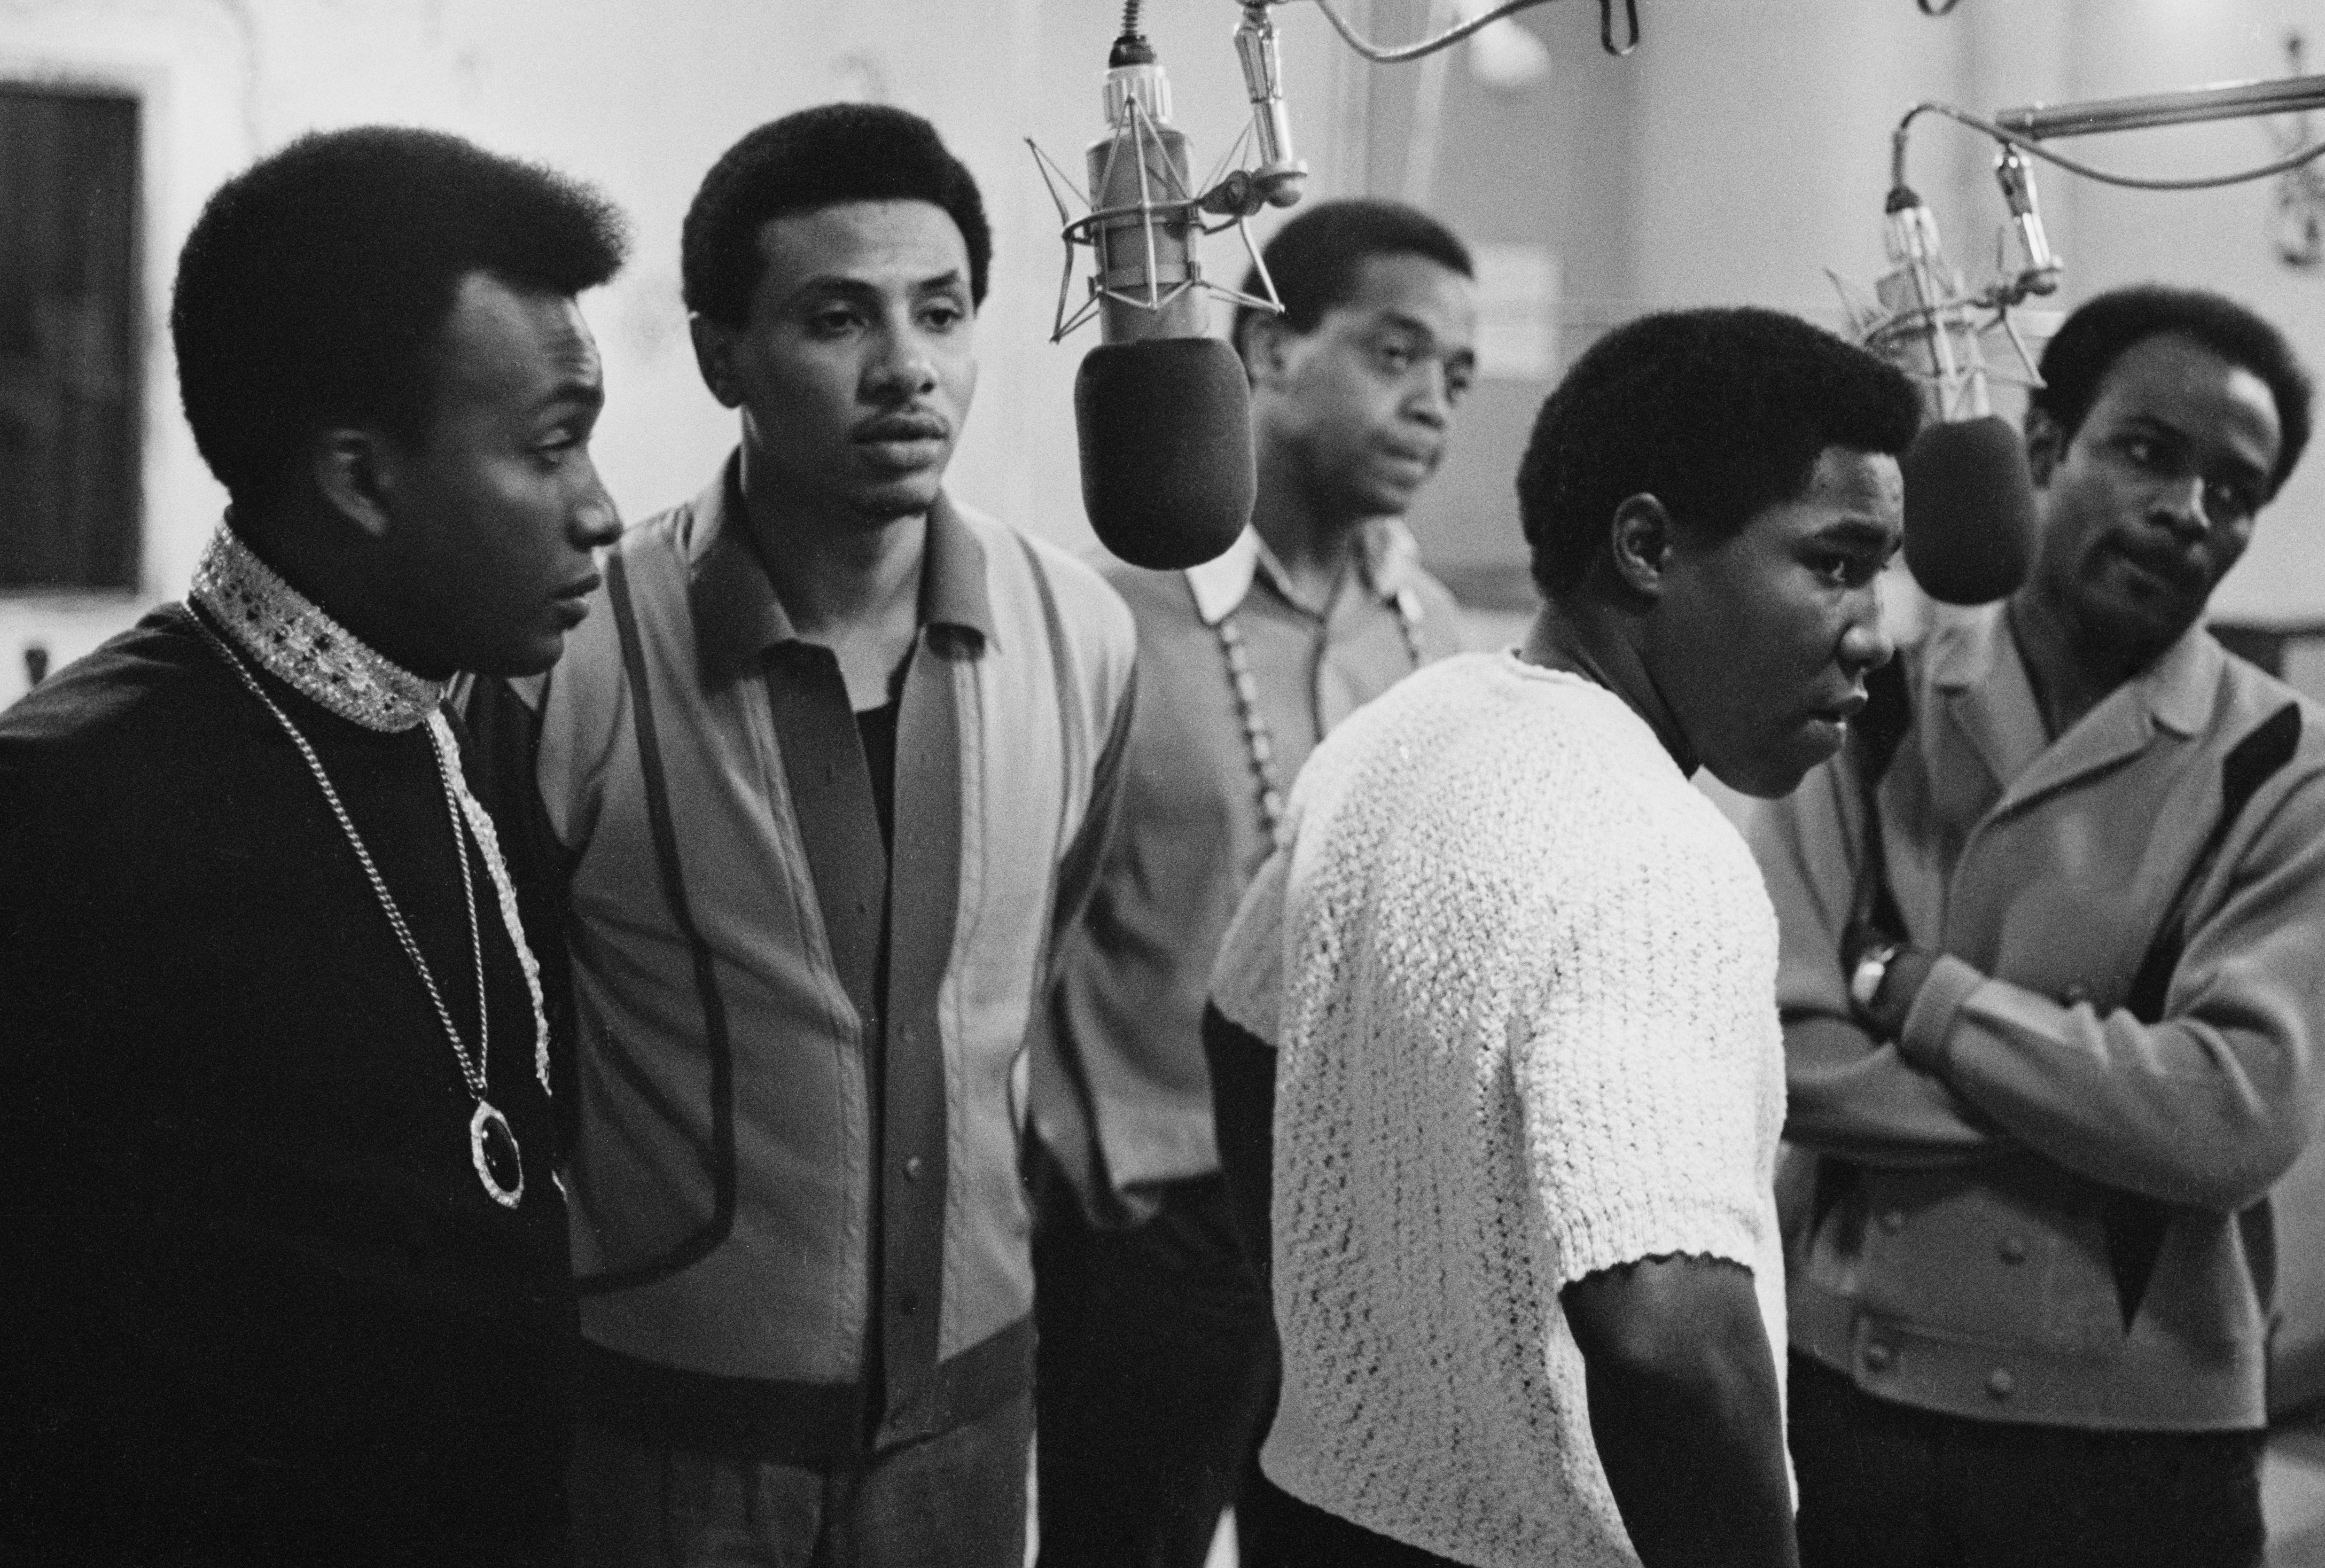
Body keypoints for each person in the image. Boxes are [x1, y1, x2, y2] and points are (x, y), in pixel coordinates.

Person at [468, 104, 1136, 1568]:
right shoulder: (571, 656)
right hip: (668, 1423)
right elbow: (510, 1051)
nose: (906, 367)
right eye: (837, 318)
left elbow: (1027, 971)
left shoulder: (1077, 633)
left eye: (941, 312)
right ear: (720, 356)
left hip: (969, 1414)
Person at [0, 126, 626, 1564]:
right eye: (551, 445)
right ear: (359, 475)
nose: (599, 509)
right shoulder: (64, 804)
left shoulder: (440, 733)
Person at [1207, 307, 1919, 1568]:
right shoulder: (1649, 853)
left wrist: (1348, 1323)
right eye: (1836, 562)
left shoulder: (1396, 732)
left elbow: (1239, 1027)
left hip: (1314, 1510)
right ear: (1645, 545)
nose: (1877, 628)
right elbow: (1668, 1339)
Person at [1750, 285, 2325, 1568]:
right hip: (1853, 1389)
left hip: (2143, 1433)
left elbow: (2229, 1119)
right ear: (2043, 446)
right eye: (2148, 453)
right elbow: (1776, 1046)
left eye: (2235, 491)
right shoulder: (1867, 703)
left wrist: (1916, 990)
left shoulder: (2298, 769)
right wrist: (2102, 1107)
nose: (2188, 513)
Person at [1030, 198, 1478, 1568]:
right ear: (1271, 349)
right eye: (1396, 353)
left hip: (1370, 1225)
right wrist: (1090, 1165)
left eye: (1455, 377)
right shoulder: (1106, 617)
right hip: (1162, 1227)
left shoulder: (1432, 627)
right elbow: (1018, 942)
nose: (1433, 406)